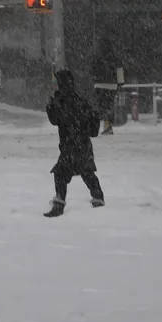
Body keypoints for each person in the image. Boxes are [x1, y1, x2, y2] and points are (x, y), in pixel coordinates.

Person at [44, 69, 104, 217]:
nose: (54, 86)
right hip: (82, 145)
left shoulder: (62, 102)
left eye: (55, 82)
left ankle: (59, 205)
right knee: (86, 172)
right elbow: (92, 131)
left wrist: (50, 106)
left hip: (71, 147)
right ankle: (98, 198)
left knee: (60, 174)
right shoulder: (80, 101)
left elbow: (55, 121)